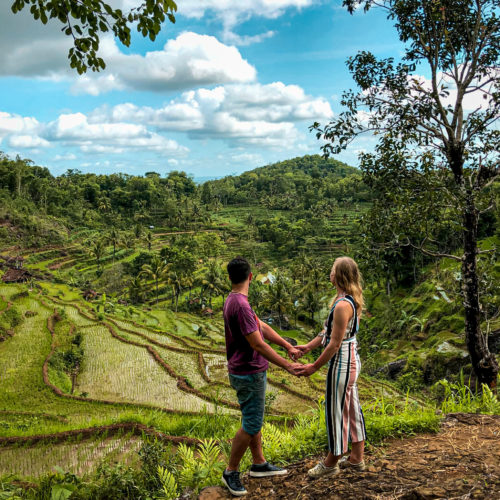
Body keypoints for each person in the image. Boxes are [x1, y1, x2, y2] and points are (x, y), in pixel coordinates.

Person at [221, 257, 302, 496]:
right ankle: (231, 471)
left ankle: (259, 463)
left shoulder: (234, 300)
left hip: (244, 370)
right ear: (250, 277)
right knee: (252, 423)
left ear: (229, 278)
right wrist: (287, 365)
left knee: (252, 417)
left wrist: (286, 344)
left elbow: (262, 327)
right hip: (248, 371)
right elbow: (257, 343)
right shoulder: (242, 305)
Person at [296, 256, 367, 477]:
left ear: (338, 275)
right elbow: (328, 333)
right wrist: (308, 346)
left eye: (332, 269)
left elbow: (334, 344)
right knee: (352, 409)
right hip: (350, 360)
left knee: (336, 412)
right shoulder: (345, 300)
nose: (330, 272)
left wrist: (313, 367)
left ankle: (330, 463)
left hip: (342, 364)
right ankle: (356, 459)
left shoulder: (342, 306)